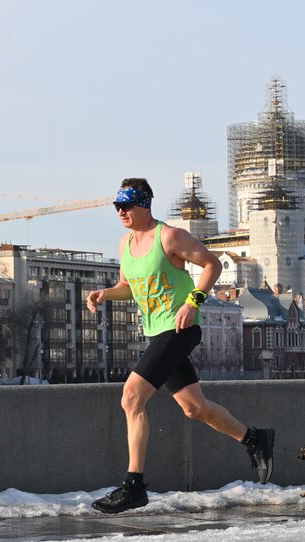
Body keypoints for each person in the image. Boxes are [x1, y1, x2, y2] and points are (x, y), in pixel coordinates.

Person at [87, 178, 274, 514]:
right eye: (117, 206)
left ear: (145, 203)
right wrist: (105, 294)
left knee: (131, 397)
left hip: (180, 327)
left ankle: (134, 487)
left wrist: (193, 301)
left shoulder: (169, 236)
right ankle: (254, 439)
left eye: (127, 205)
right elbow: (130, 285)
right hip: (157, 331)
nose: (121, 212)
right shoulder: (125, 244)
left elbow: (212, 264)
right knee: (194, 408)